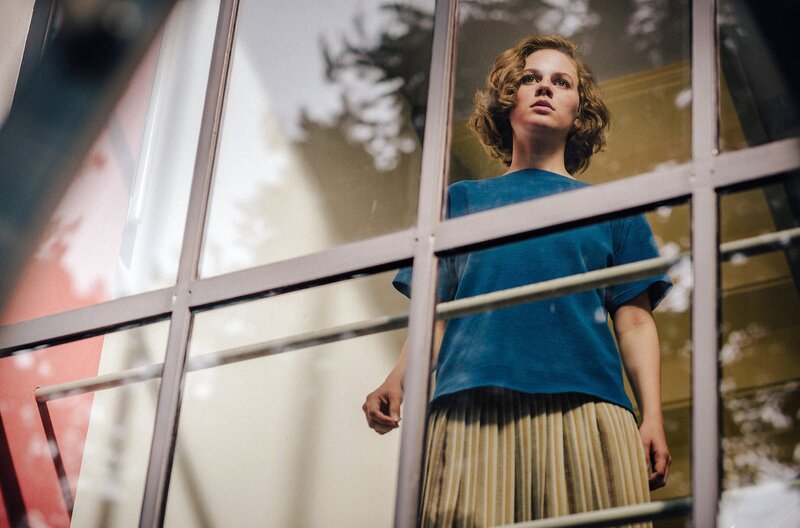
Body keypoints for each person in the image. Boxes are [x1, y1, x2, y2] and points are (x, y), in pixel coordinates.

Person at [363, 35, 672, 527]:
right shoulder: (459, 201)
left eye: (561, 82)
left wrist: (652, 416)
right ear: (508, 99)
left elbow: (634, 322)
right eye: (531, 78)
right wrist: (397, 380)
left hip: (590, 407)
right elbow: (437, 318)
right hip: (472, 407)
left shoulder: (615, 210)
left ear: (579, 111)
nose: (544, 87)